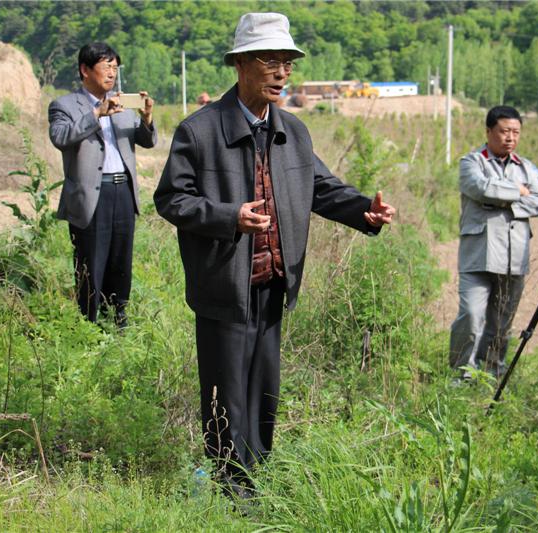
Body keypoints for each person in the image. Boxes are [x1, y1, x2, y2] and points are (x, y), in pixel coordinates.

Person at [154, 12, 395, 497]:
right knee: (226, 389)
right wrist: (229, 217)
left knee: (263, 387)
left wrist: (363, 212)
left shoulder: (293, 132)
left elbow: (321, 188)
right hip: (225, 284)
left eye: (288, 62)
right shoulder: (200, 131)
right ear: (241, 64)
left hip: (273, 283)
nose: (282, 72)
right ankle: (229, 483)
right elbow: (172, 199)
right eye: (270, 60)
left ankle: (257, 475)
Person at [49, 43, 157, 327]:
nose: (112, 73)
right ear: (85, 70)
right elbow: (60, 137)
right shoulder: (65, 105)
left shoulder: (123, 105)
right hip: (91, 195)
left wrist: (146, 118)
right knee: (91, 262)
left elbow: (146, 141)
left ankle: (117, 321)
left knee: (120, 262)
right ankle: (89, 324)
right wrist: (97, 114)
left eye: (115, 68)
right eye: (106, 66)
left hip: (123, 191)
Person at [449, 106, 538, 378]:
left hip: (514, 255)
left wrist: (502, 201)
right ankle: (461, 373)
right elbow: (481, 188)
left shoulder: (526, 167)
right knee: (471, 315)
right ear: (489, 131)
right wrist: (518, 191)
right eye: (504, 131)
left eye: (516, 132)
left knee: (502, 323)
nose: (510, 138)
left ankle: (491, 373)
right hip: (478, 253)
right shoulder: (471, 162)